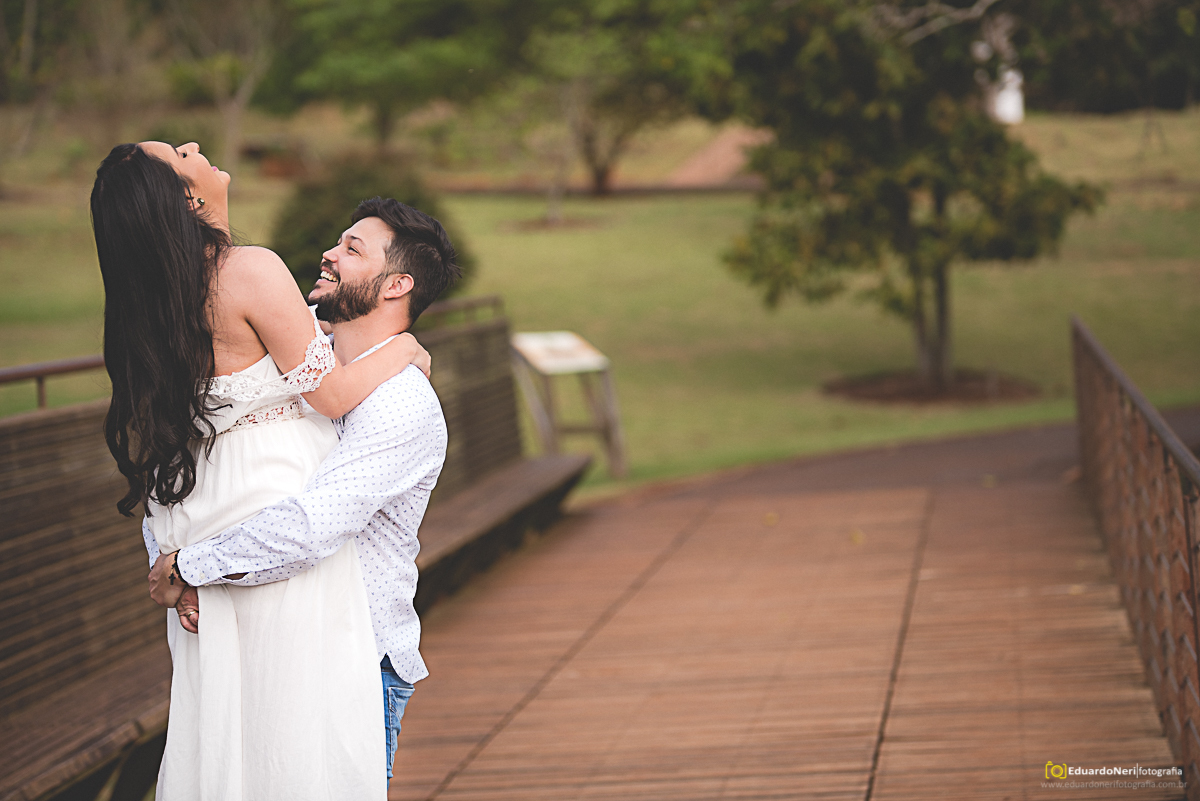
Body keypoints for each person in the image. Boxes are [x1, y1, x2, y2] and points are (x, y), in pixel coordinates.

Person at [91, 142, 431, 801]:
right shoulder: (250, 271)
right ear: (180, 200)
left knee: (230, 718)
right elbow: (329, 394)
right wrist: (404, 349)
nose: (195, 146)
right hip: (273, 507)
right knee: (300, 718)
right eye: (181, 154)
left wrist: (176, 561)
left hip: (202, 515)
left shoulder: (151, 300)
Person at [146, 196, 458, 785]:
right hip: (264, 639)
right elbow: (205, 456)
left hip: (355, 658)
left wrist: (190, 567)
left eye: (351, 248)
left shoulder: (402, 405)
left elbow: (313, 524)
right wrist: (174, 562)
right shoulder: (293, 363)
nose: (329, 253)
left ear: (397, 285)